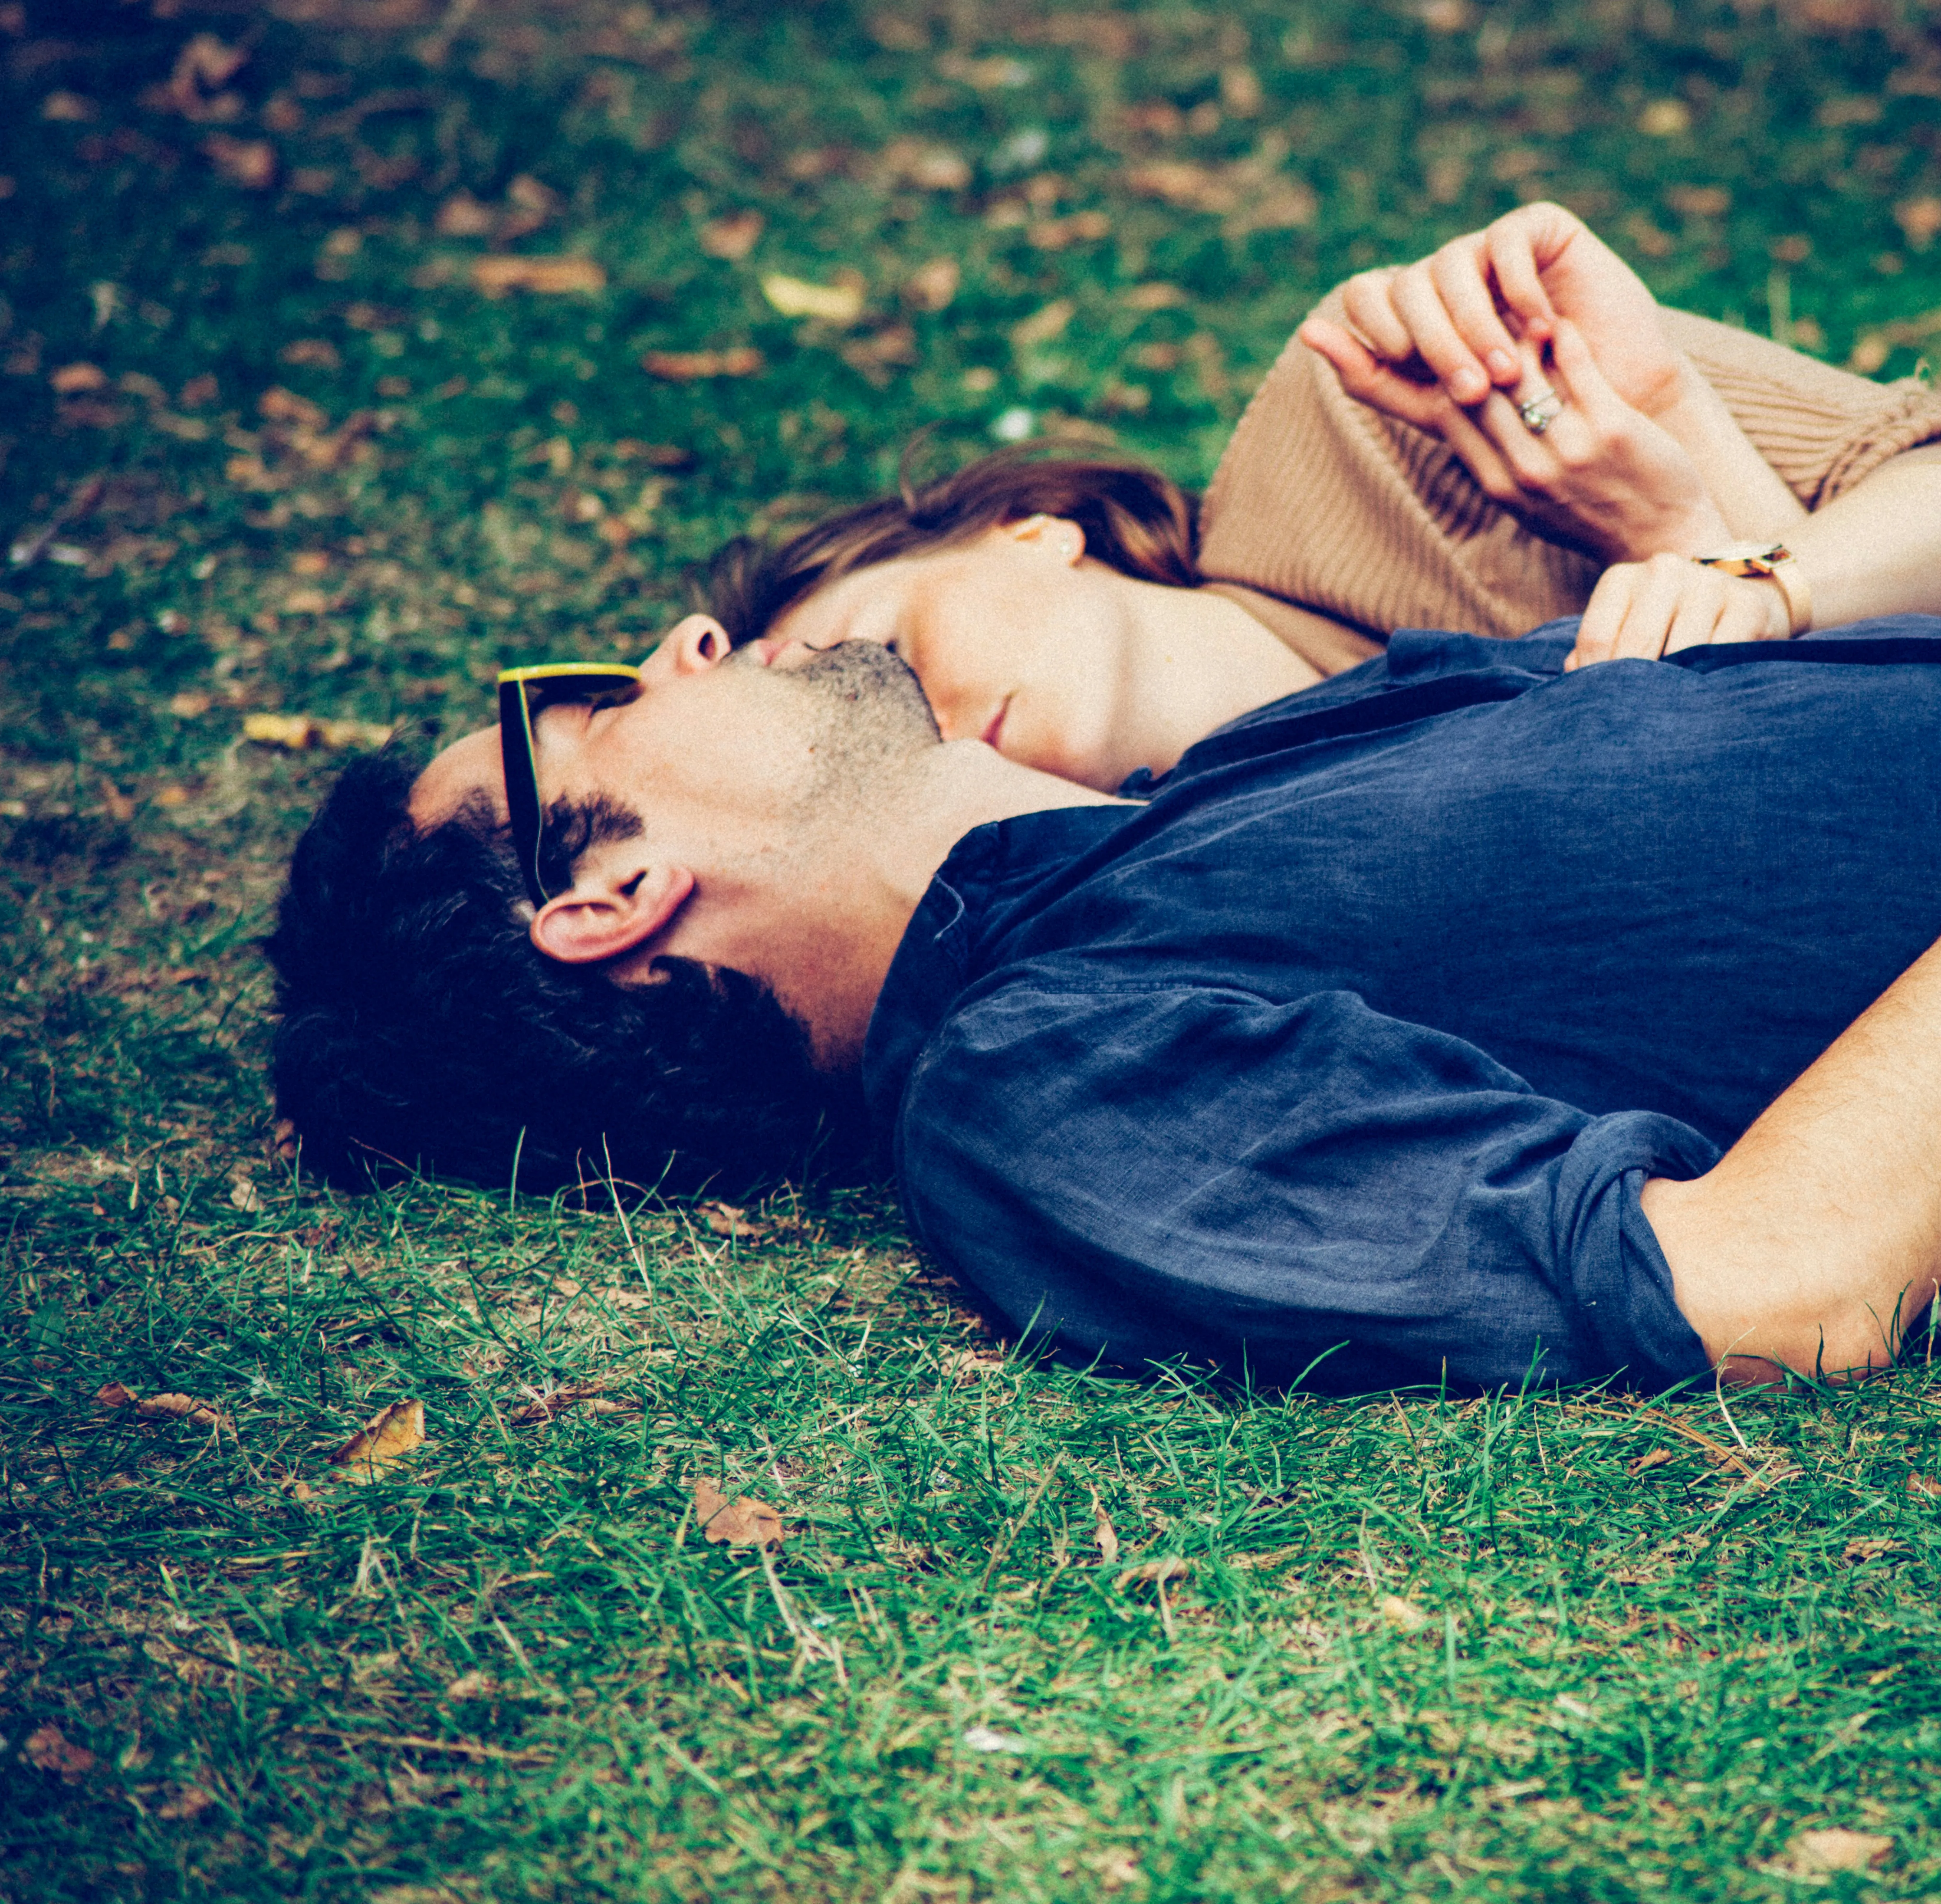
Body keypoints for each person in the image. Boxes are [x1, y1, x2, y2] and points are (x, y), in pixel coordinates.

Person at [267, 612, 1941, 1396]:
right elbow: (1765, 1291)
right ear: (602, 898)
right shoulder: (1033, 1084)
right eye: (589, 708)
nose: (692, 637)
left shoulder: (1191, 795)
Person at [688, 204, 1941, 792]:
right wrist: (1677, 535)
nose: (934, 738)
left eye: (893, 665)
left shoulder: (1380, 408)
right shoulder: (1230, 874)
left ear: (1031, 531)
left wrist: (1684, 449)